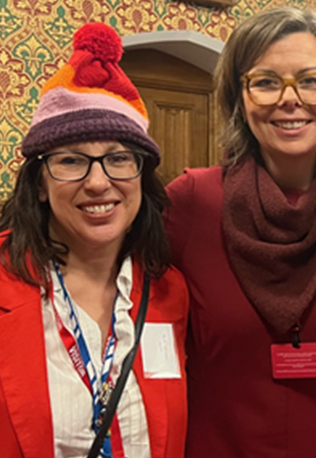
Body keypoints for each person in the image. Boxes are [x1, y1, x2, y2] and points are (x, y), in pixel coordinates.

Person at [164, 7, 316, 458]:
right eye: (266, 81)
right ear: (239, 97)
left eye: (312, 80)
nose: (289, 99)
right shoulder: (191, 203)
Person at [0, 23, 188, 458]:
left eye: (119, 159)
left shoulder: (170, 292)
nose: (99, 182)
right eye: (71, 161)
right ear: (40, 183)